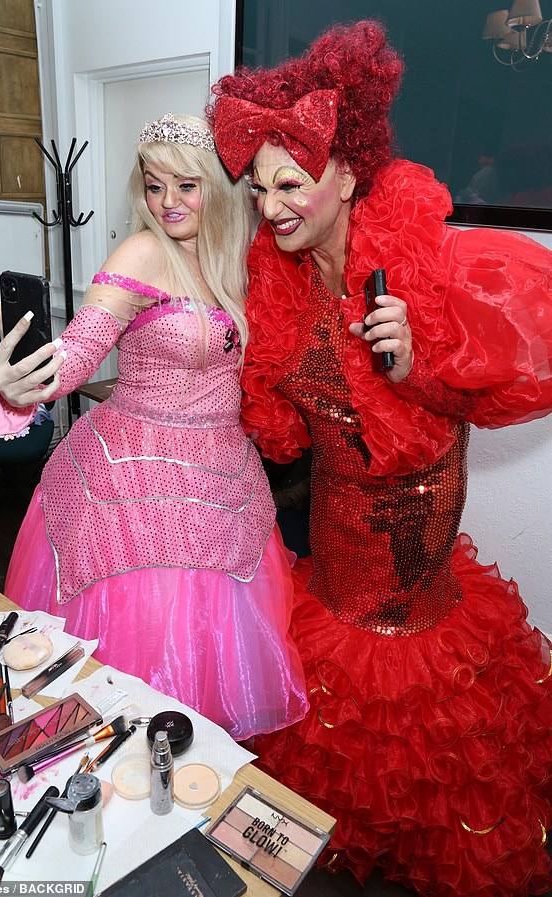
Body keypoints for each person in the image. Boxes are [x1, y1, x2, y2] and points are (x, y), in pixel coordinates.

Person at [207, 22, 552, 897]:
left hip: (412, 560)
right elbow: (282, 429)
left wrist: (416, 368)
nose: (273, 204)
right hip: (334, 550)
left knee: (428, 769)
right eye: (259, 187)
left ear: (347, 176)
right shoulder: (279, 278)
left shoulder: (427, 268)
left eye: (292, 183)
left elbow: (489, 388)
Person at [0, 113, 307, 741]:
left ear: (218, 186)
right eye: (154, 186)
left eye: (186, 185)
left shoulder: (243, 259)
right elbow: (81, 349)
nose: (167, 202)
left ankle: (193, 776)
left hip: (221, 477)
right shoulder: (142, 250)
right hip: (131, 479)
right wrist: (24, 384)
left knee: (213, 646)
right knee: (135, 664)